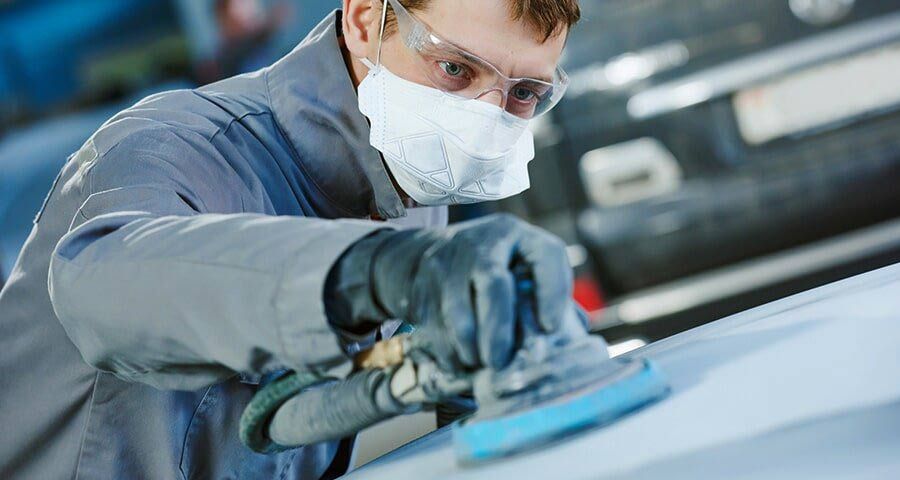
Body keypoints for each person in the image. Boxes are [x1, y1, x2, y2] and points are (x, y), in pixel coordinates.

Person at [0, 0, 584, 478]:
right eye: (455, 70)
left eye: (523, 95)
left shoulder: (410, 196)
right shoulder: (179, 147)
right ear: (362, 20)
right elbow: (99, 285)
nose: (485, 123)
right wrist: (372, 273)